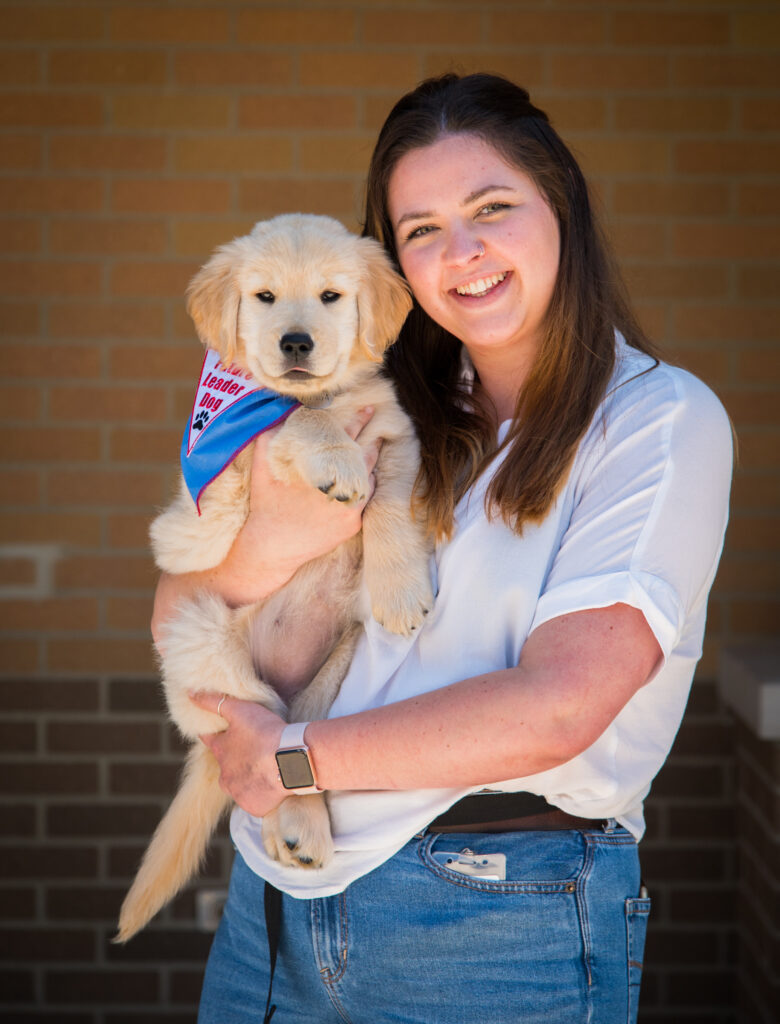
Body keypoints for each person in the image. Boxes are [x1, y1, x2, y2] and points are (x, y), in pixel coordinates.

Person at [152, 73, 732, 1023]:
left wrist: (291, 760)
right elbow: (179, 613)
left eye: (492, 208)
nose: (460, 252)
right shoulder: (380, 407)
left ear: (563, 207)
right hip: (273, 909)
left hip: (492, 914)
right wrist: (277, 537)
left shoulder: (657, 423)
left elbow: (557, 708)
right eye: (420, 229)